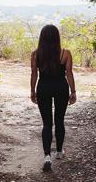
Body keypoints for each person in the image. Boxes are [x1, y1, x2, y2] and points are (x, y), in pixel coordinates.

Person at [30, 24, 76, 171]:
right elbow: (69, 73)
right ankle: (59, 152)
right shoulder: (65, 53)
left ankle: (47, 156)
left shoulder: (36, 54)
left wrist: (32, 91)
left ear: (41, 38)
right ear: (57, 37)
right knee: (59, 120)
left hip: (43, 88)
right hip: (61, 88)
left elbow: (34, 75)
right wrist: (73, 91)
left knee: (47, 123)